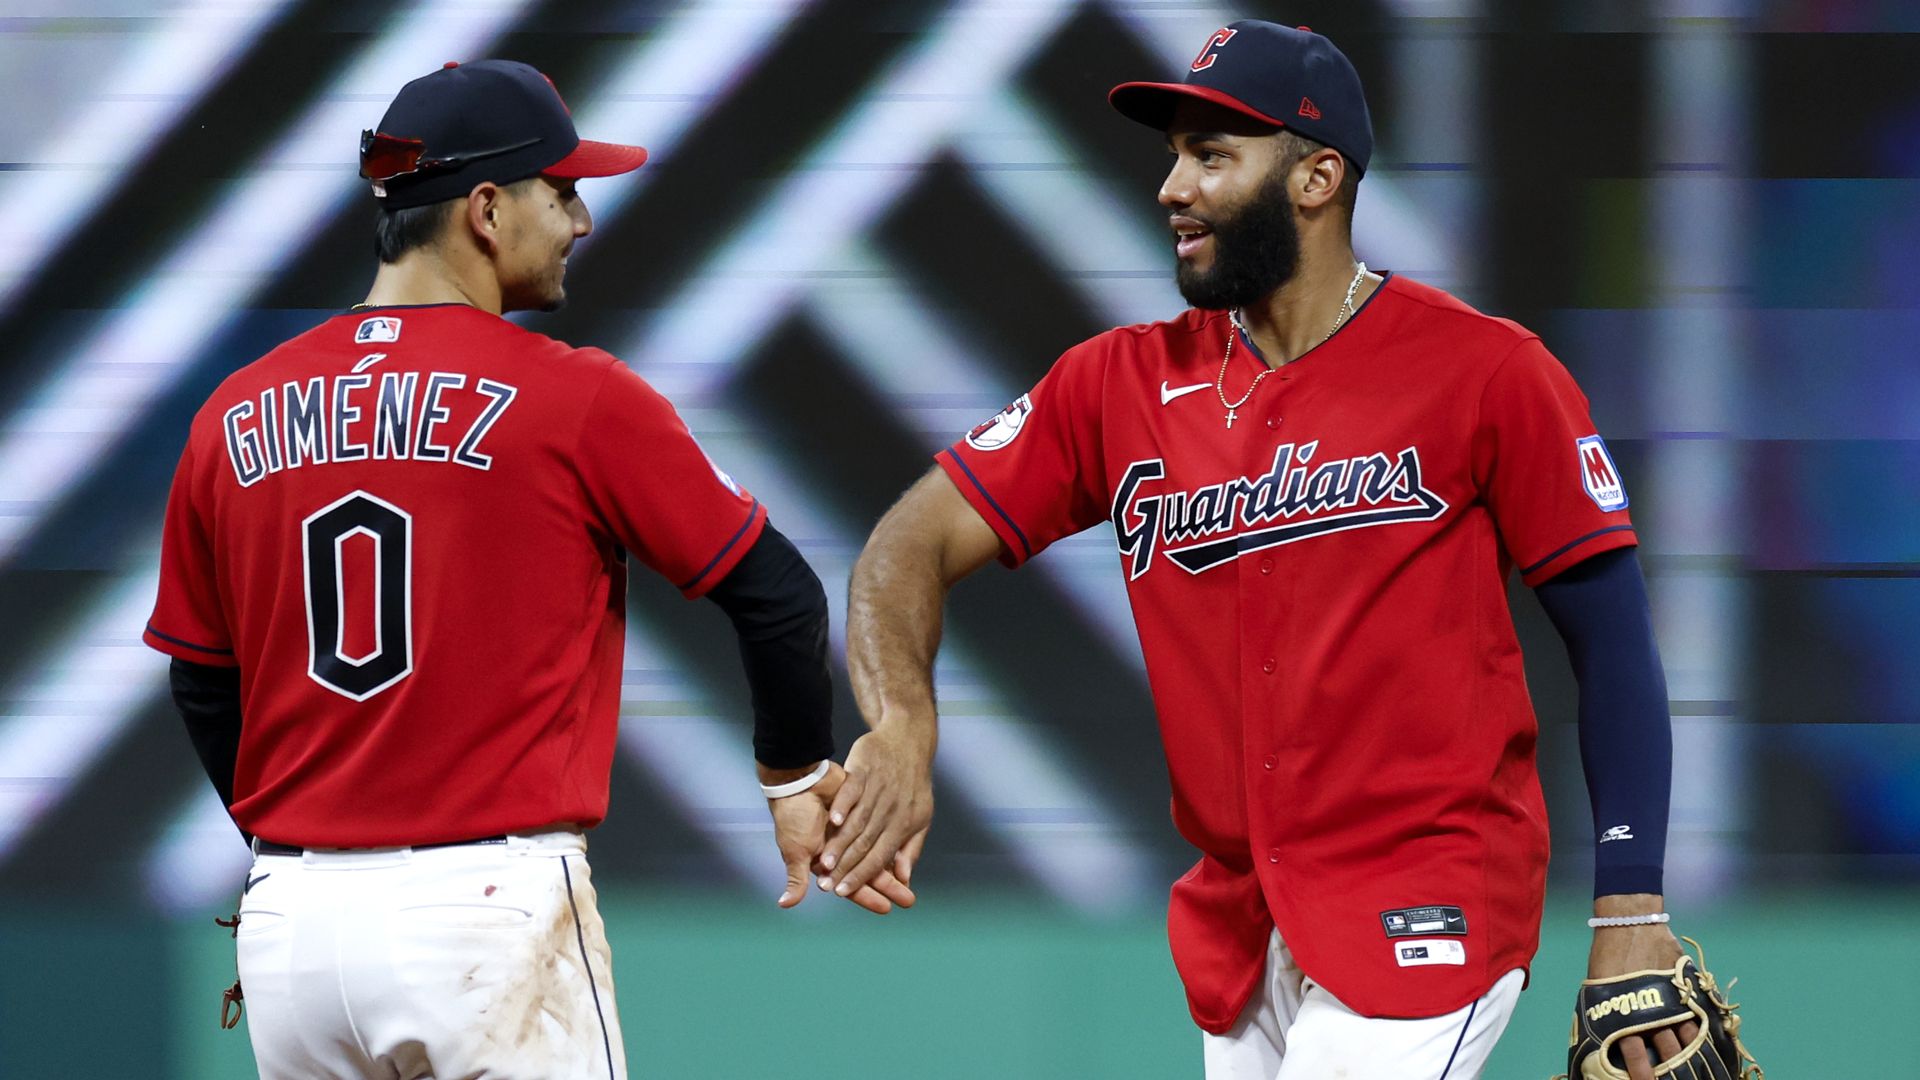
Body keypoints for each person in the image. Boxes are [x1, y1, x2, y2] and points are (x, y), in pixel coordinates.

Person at [825, 22, 1697, 1080]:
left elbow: (1612, 641)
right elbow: (904, 547)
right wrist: (904, 725)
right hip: (1241, 933)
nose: (1172, 189)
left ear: (1317, 177)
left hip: (1427, 898)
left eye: (1211, 155)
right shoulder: (1116, 385)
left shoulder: (1486, 372)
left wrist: (1630, 908)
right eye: (1173, 156)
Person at [143, 59, 907, 1080]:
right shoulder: (572, 397)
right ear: (489, 209)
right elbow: (774, 592)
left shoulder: (233, 412)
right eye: (566, 189)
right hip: (482, 913)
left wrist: (306, 840)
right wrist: (796, 772)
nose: (583, 219)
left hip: (293, 932)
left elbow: (201, 675)